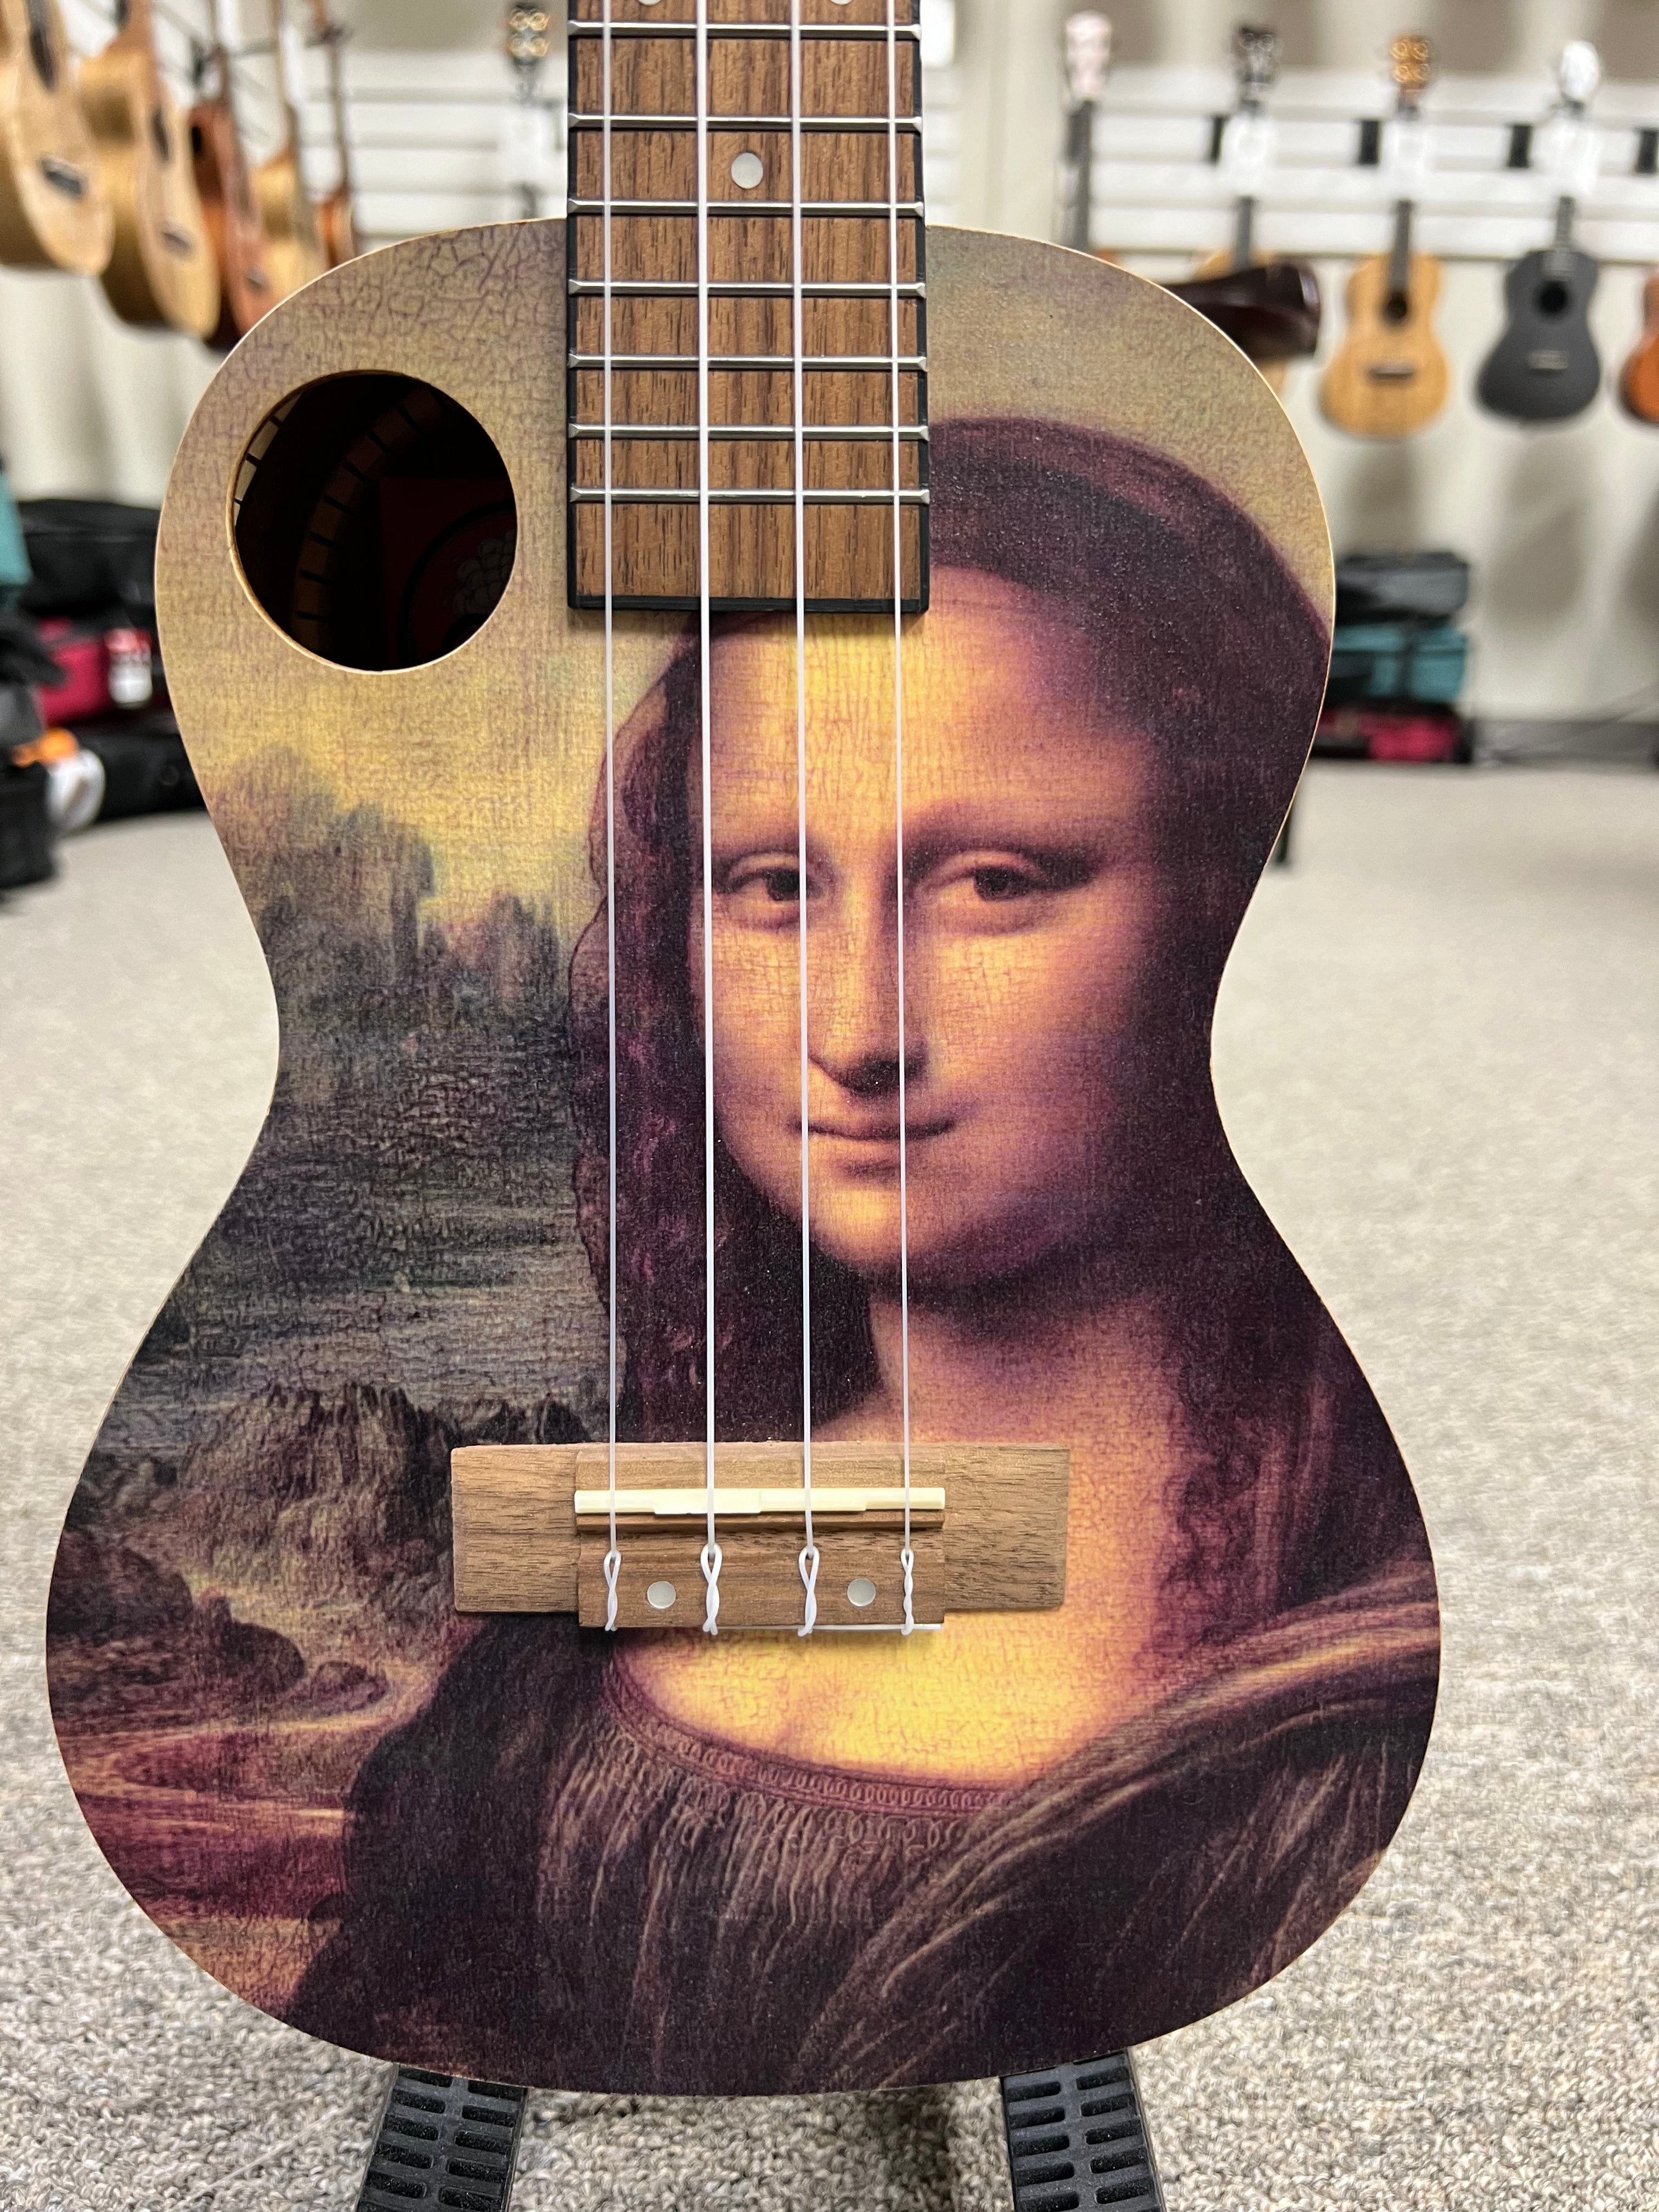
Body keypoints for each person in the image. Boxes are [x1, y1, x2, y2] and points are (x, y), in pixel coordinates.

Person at [290, 418, 1438, 2092]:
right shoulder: (600, 1586)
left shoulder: (1317, 1715)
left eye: (994, 882)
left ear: (1220, 903)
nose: (857, 1030)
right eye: (771, 885)